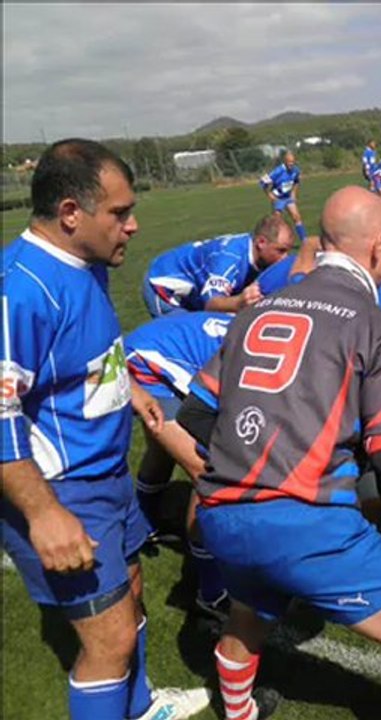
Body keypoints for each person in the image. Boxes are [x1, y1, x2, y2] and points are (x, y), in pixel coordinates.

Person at [177, 186, 381, 720]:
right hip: (306, 525)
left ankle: (239, 713)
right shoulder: (379, 328)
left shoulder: (253, 312)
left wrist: (259, 444)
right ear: (378, 246)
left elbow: (193, 413)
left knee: (250, 614)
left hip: (222, 517)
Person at [1, 138, 210, 719]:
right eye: (119, 212)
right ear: (71, 213)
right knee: (108, 640)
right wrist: (44, 514)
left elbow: (87, 351)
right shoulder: (19, 291)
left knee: (132, 595)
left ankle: (140, 707)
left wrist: (132, 389)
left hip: (107, 477)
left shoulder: (84, 264)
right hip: (60, 489)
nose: (133, 225)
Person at [125, 311, 234, 620]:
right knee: (211, 472)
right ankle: (211, 594)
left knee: (165, 449)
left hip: (157, 351)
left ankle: (147, 524)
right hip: (146, 365)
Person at [142, 213, 294, 317]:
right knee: (191, 335)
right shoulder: (229, 260)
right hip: (164, 284)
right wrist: (240, 301)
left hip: (195, 288)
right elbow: (212, 303)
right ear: (261, 242)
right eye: (280, 250)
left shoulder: (253, 251)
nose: (284, 258)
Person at [259, 151, 306, 241]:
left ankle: (304, 240)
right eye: (289, 162)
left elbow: (296, 181)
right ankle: (272, 240)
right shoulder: (277, 171)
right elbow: (262, 182)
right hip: (278, 198)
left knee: (296, 217)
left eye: (292, 162)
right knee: (277, 221)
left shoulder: (296, 170)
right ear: (284, 161)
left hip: (288, 197)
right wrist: (269, 194)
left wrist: (293, 193)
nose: (291, 164)